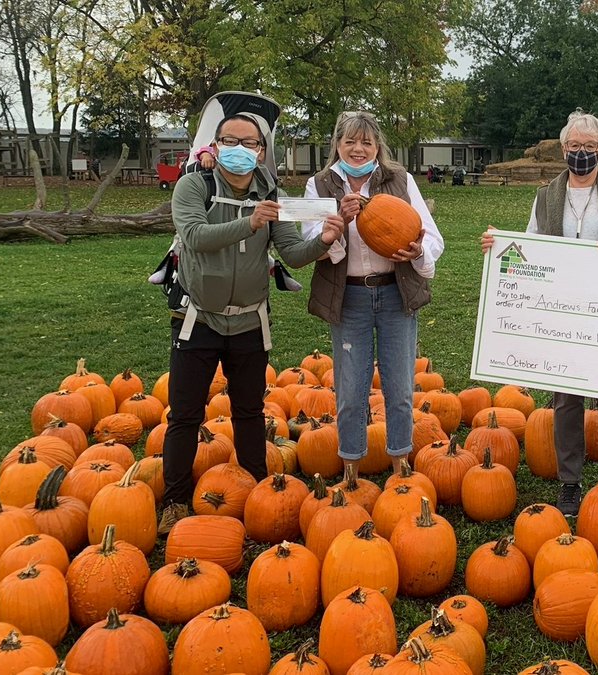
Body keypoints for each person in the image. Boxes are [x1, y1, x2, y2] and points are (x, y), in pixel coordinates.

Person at [159, 113, 343, 533]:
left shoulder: (272, 193)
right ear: (217, 144)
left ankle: (259, 489)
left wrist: (325, 240)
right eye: (231, 140)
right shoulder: (195, 186)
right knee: (185, 414)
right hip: (198, 318)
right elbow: (194, 237)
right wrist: (250, 222)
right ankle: (174, 500)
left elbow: (293, 253)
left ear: (262, 151)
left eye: (251, 143)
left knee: (248, 411)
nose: (241, 149)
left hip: (248, 322)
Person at [480, 109, 598, 516]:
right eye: (575, 146)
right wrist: (501, 248)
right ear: (563, 149)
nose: (582, 153)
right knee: (566, 398)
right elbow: (529, 247)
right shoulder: (545, 196)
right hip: (562, 312)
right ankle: (570, 483)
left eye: (590, 147)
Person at [303, 111, 444, 475]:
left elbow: (430, 236)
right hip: (349, 298)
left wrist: (417, 252)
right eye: (350, 141)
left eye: (366, 142)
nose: (358, 149)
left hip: (395, 294)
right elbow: (309, 245)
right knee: (350, 389)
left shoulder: (399, 179)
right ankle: (351, 465)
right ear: (337, 145)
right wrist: (340, 225)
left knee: (399, 386)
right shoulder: (319, 186)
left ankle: (401, 462)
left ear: (377, 146)